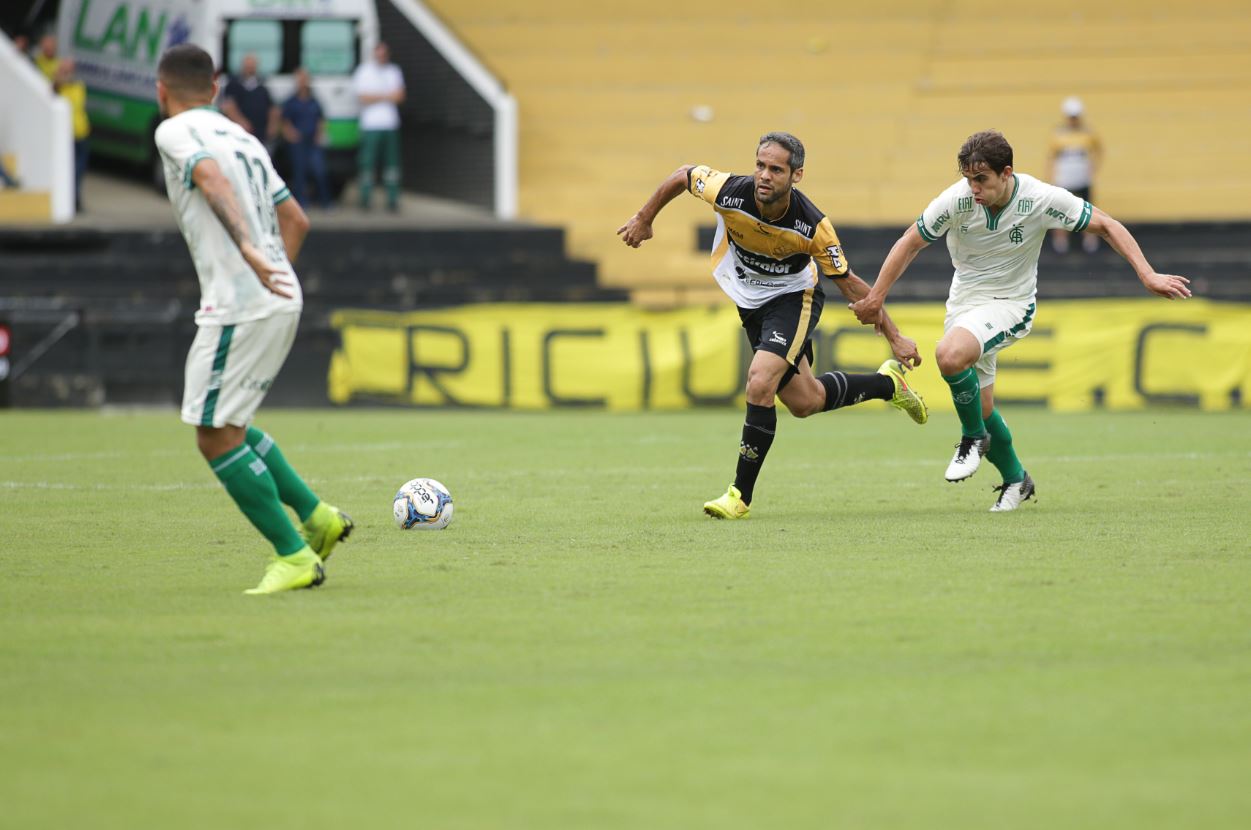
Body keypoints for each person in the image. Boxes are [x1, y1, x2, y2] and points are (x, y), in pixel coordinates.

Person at [850, 130, 1191, 512]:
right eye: (968, 179)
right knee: (979, 405)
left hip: (1011, 304)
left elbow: (1108, 225)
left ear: (1006, 173)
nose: (973, 188)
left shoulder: (1040, 198)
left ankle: (972, 440)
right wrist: (876, 296)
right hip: (964, 304)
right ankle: (1017, 479)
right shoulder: (958, 200)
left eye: (981, 180)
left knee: (948, 356)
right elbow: (910, 240)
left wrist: (1147, 275)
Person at [617, 132, 928, 520]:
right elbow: (683, 175)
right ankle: (888, 385)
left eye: (776, 169)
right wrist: (644, 219)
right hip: (749, 300)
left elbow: (850, 285)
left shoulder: (813, 227)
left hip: (793, 298)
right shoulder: (728, 191)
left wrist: (894, 336)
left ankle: (739, 496)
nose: (764, 176)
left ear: (796, 175)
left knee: (760, 381)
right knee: (805, 401)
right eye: (760, 165)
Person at [154, 43, 353, 594]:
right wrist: (274, 271)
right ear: (217, 89)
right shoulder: (245, 138)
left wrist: (250, 256)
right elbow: (297, 219)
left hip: (242, 300)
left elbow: (211, 181)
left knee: (212, 436)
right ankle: (317, 519)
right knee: (230, 425)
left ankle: (292, 555)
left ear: (161, 91)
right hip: (279, 293)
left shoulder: (174, 132)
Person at [351, 42, 405, 212]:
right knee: (368, 165)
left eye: (384, 54)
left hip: (390, 125)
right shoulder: (364, 71)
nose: (381, 57)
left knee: (392, 166)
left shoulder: (394, 71)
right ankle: (365, 200)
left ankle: (392, 200)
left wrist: (377, 96)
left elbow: (400, 96)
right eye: (378, 54)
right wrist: (387, 95)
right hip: (370, 125)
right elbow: (362, 97)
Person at [1048, 97, 1103, 254]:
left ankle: (1090, 238)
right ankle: (1060, 239)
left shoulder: (1088, 132)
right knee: (1060, 208)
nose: (1073, 120)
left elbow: (1099, 151)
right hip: (1063, 177)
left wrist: (1094, 168)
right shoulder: (1058, 134)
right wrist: (1051, 177)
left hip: (1082, 177)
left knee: (1087, 207)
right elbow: (1051, 157)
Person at [281, 67, 332, 209]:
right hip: (298, 142)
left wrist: (319, 134)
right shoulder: (291, 101)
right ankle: (301, 203)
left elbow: (321, 119)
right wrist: (290, 134)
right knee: (299, 172)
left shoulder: (314, 100)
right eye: (300, 79)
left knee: (320, 171)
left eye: (305, 79)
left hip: (313, 141)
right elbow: (284, 120)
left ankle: (326, 201)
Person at [52, 58, 90, 211]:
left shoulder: (78, 86)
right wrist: (58, 80)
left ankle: (76, 200)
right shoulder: (58, 88)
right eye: (65, 70)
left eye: (70, 69)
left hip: (81, 133)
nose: (69, 73)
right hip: (67, 136)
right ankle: (72, 201)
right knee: (70, 171)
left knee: (78, 171)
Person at [220, 53, 278, 147]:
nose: (250, 67)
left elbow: (272, 107)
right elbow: (228, 106)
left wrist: (272, 125)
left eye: (252, 65)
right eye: (248, 65)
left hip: (261, 132)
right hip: (241, 131)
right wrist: (241, 121)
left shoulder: (262, 84)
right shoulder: (233, 84)